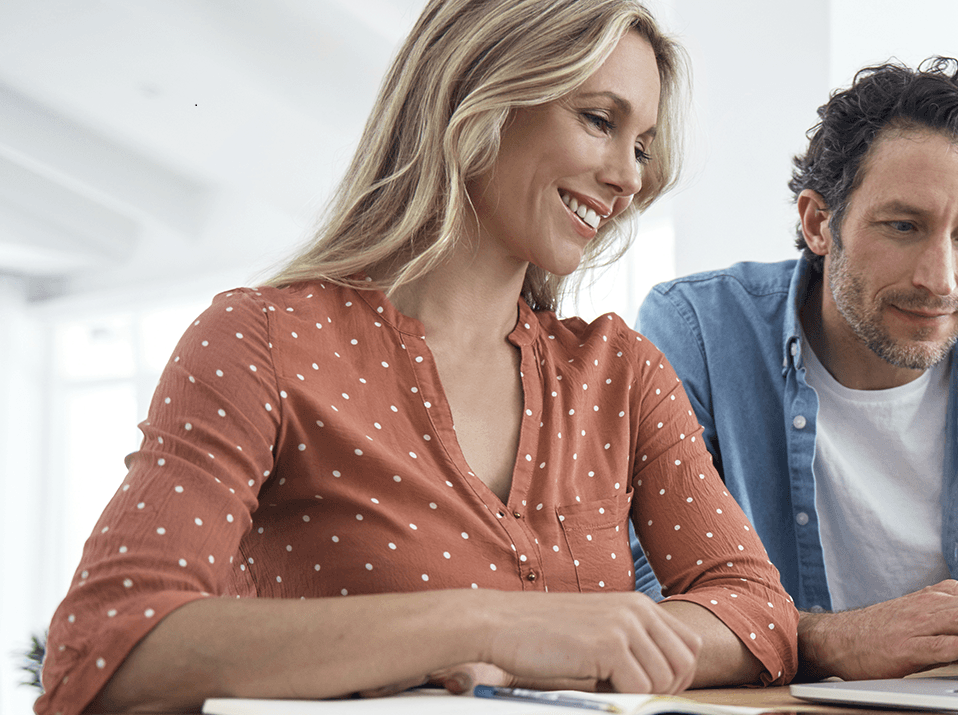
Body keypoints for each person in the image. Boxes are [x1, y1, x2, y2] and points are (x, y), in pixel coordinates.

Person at [35, 2, 797, 714]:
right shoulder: (261, 339)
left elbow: (757, 611)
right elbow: (104, 647)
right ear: (481, 96)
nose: (630, 177)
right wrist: (484, 625)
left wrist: (576, 644)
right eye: (599, 121)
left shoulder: (620, 373)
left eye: (641, 147)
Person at [630, 58, 958, 681]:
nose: (939, 280)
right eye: (903, 226)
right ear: (819, 223)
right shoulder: (700, 332)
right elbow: (643, 602)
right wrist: (833, 640)